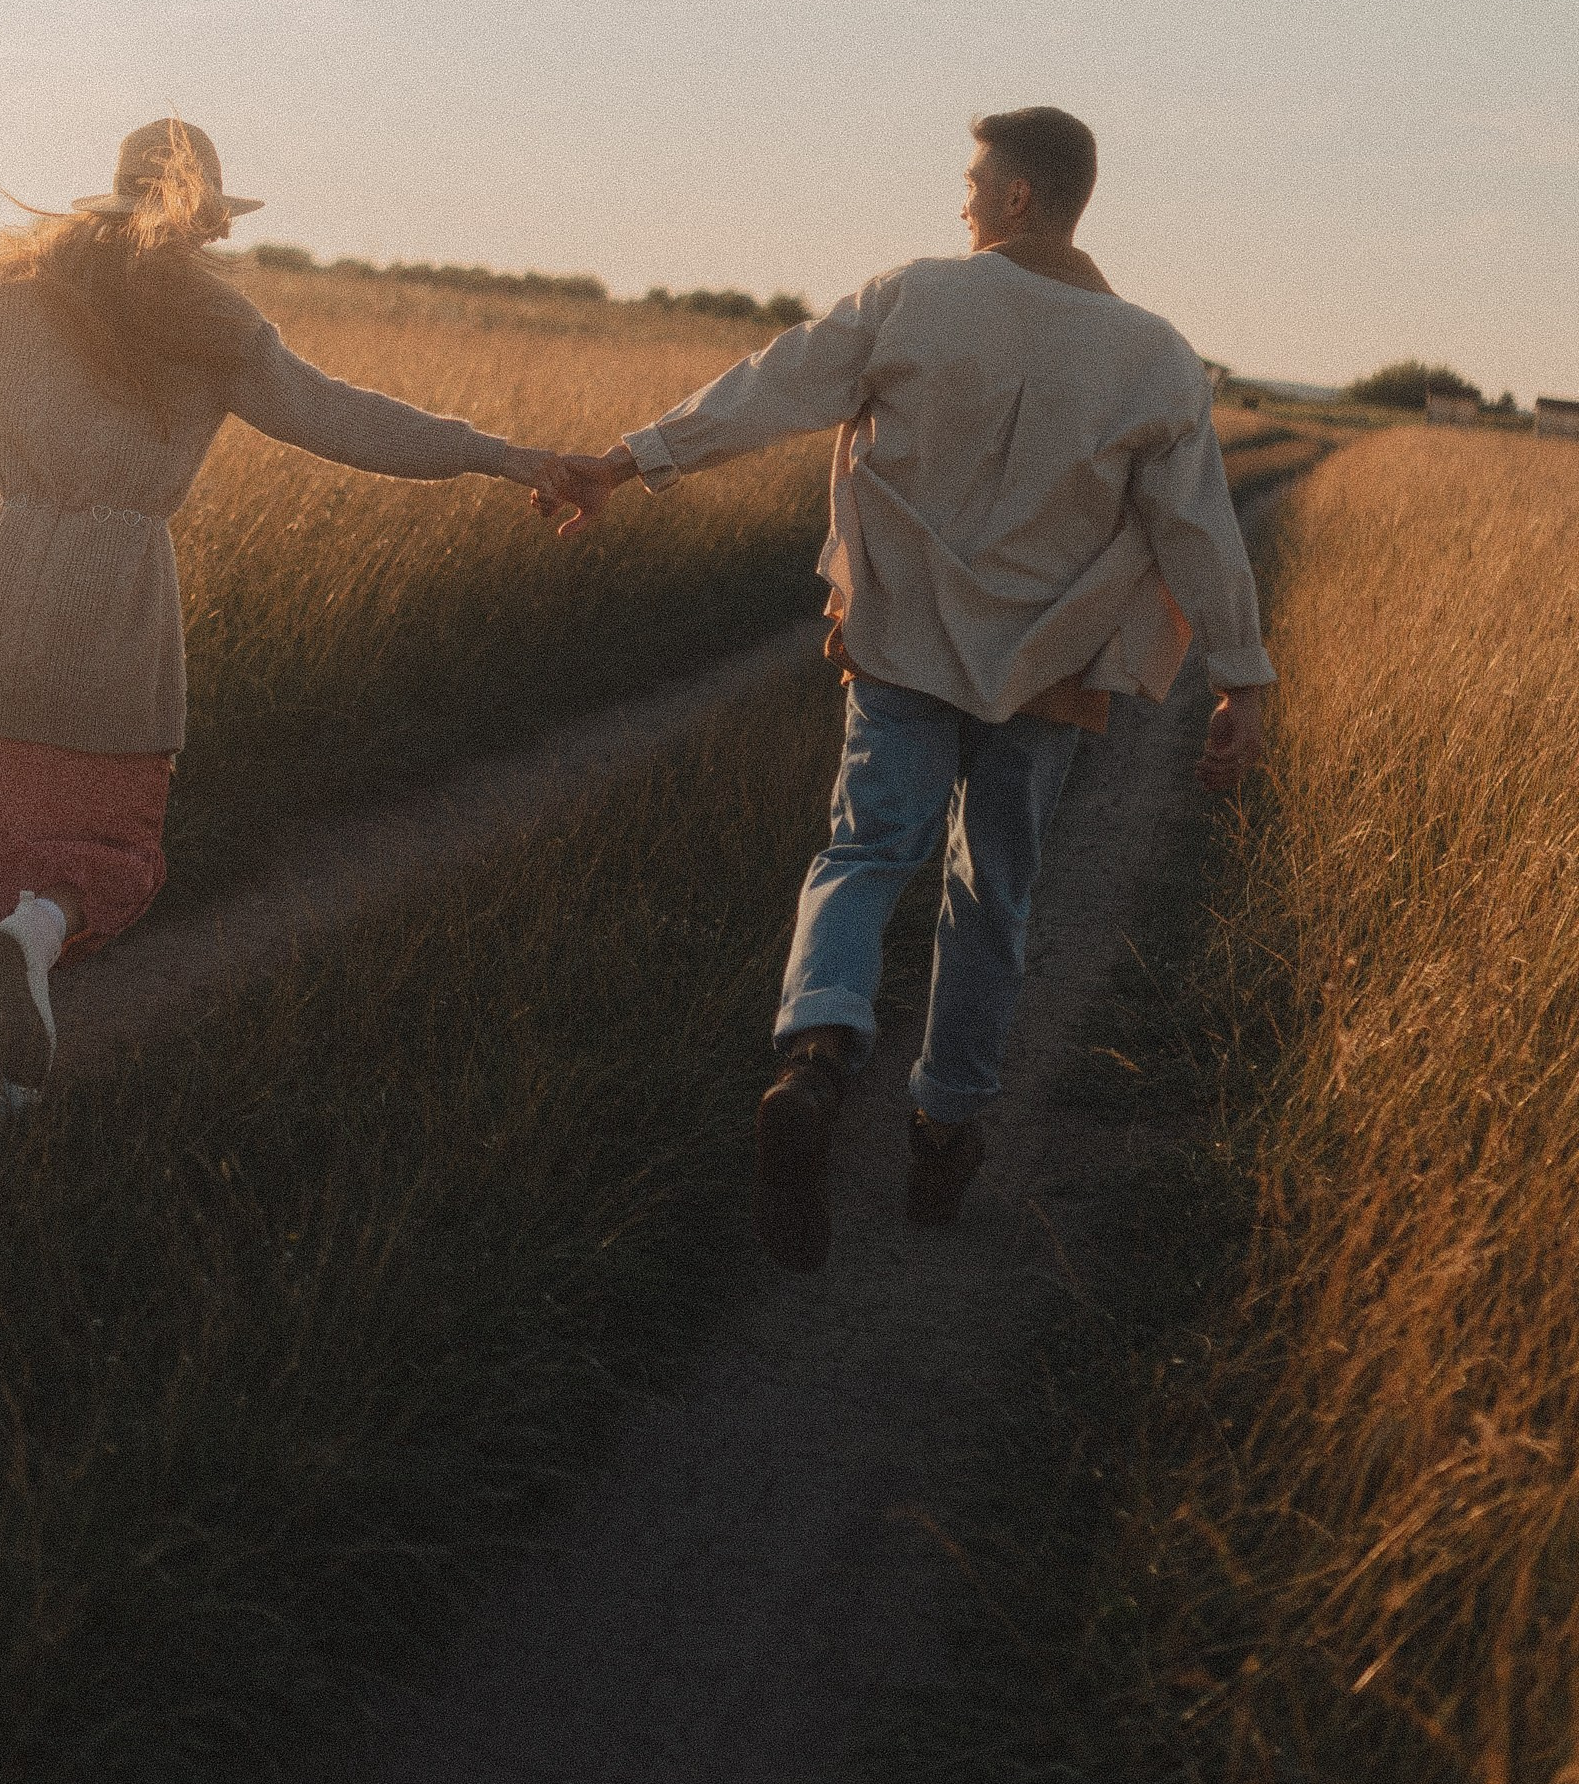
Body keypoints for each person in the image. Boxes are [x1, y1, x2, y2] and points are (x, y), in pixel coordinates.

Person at [0, 120, 565, 1133]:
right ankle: (39, 933)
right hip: (113, 632)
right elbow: (346, 419)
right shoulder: (219, 331)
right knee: (112, 854)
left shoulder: (7, 294)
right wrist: (505, 457)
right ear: (204, 223)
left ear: (108, 200)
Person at [536, 106, 1273, 1268]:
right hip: (1048, 669)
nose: (965, 198)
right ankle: (943, 1130)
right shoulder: (1155, 356)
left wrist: (625, 463)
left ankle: (819, 1055)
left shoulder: (916, 295)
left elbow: (766, 388)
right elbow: (1197, 529)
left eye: (978, 180)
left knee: (868, 851)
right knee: (996, 896)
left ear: (1023, 195)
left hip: (902, 642)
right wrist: (1243, 681)